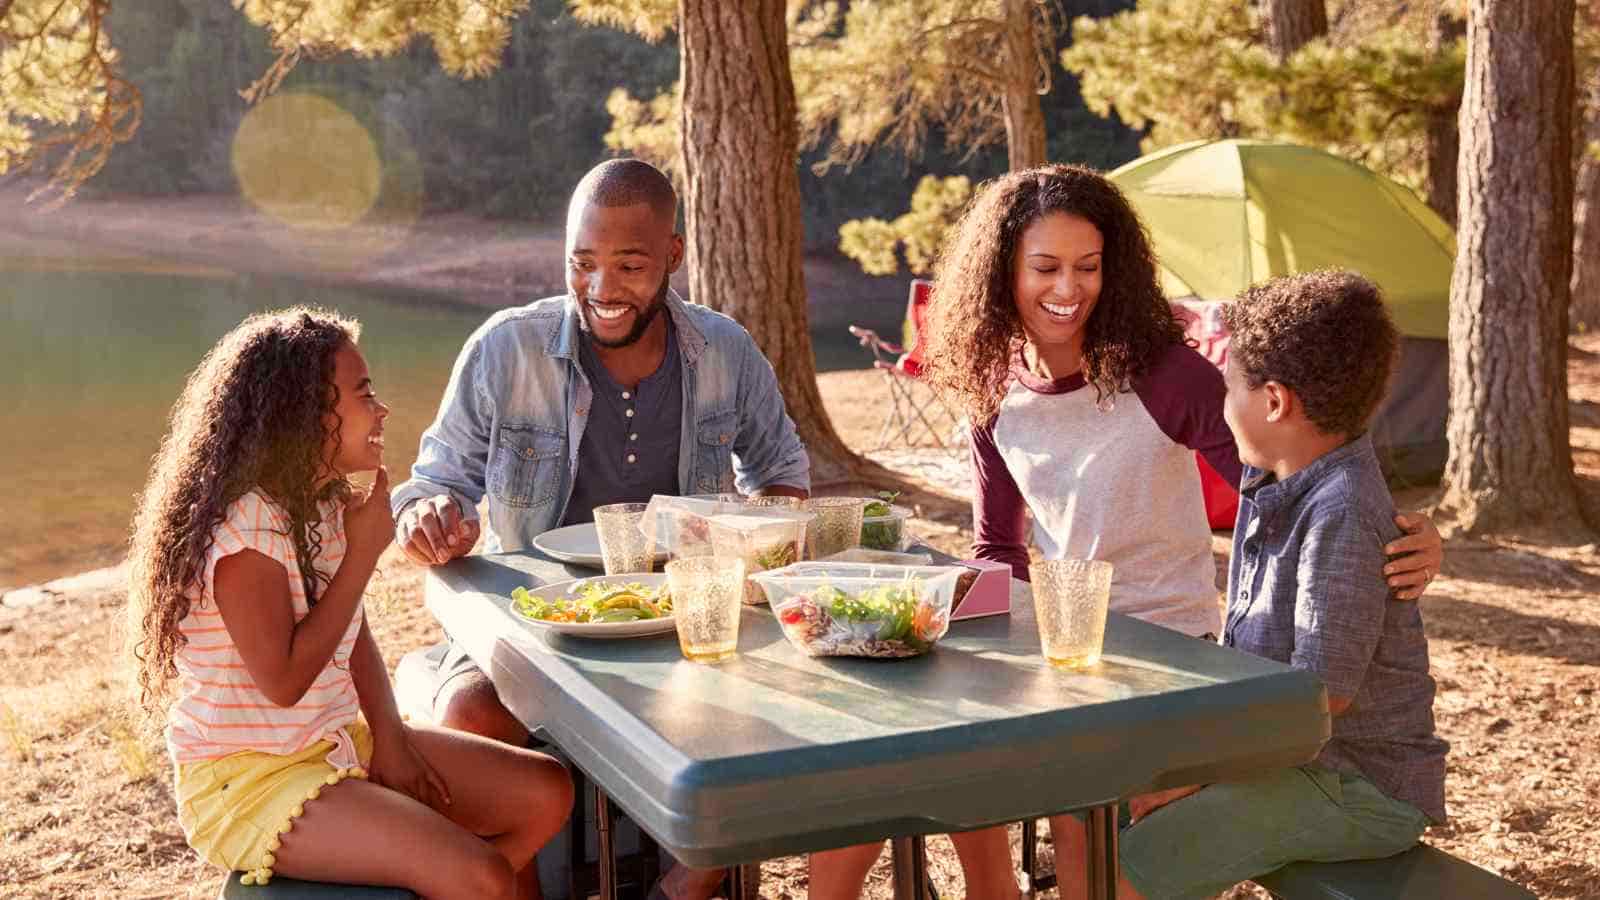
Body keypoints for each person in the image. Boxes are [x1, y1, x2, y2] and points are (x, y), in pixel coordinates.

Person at [806, 164, 1444, 899]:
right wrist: (922, 603)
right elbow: (1001, 551)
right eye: (1045, 267)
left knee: (1105, 845)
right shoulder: (992, 385)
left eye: (1088, 267)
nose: (1068, 289)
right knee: (934, 741)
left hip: (1173, 654)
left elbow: (1290, 474)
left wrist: (1407, 537)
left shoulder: (1164, 375)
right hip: (1064, 645)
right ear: (1001, 272)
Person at [391, 158, 810, 900]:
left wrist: (745, 538)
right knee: (471, 714)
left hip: (681, 618)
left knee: (793, 721)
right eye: (583, 263)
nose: (602, 289)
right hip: (532, 624)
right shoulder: (505, 348)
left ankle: (680, 889)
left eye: (629, 265)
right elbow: (433, 481)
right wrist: (428, 518)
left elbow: (781, 473)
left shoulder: (725, 352)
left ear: (673, 258)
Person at [127, 309, 572, 900]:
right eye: (363, 393)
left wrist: (388, 735)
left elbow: (350, 635)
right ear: (306, 412)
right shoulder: (246, 530)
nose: (381, 410)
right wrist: (363, 555)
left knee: (547, 792)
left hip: (334, 742)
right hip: (251, 779)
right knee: (484, 877)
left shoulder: (319, 503)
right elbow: (283, 680)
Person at [1107, 269, 1449, 899]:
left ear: (1273, 402)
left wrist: (1198, 775)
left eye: (1228, 385)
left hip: (1356, 786)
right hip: (1300, 762)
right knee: (1133, 806)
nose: (1221, 403)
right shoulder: (1277, 480)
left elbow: (1322, 697)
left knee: (1132, 865)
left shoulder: (1341, 509)